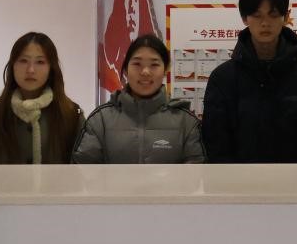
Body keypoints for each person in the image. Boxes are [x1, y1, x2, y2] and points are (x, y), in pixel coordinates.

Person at [202, 0, 297, 162]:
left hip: (295, 178)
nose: (265, 23)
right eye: (257, 15)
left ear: (285, 17)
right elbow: (216, 142)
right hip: (238, 179)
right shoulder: (223, 78)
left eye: (273, 15)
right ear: (245, 18)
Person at [74, 34, 205, 163]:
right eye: (137, 64)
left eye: (154, 65)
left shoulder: (186, 121)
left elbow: (197, 171)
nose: (145, 72)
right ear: (126, 70)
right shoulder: (100, 120)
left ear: (165, 70)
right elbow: (82, 170)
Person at [0, 32, 84, 164]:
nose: (31, 70)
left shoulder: (72, 115)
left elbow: (85, 169)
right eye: (23, 61)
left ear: (51, 68)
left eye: (40, 62)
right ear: (13, 66)